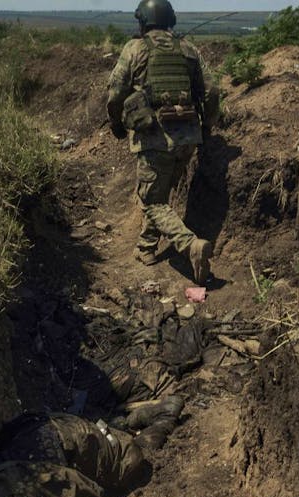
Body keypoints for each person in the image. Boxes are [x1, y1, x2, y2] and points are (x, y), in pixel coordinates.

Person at [106, 0, 220, 285]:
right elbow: (212, 92)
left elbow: (115, 93)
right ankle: (146, 248)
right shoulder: (189, 49)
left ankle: (190, 246)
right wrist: (206, 126)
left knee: (152, 200)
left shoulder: (135, 48)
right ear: (170, 20)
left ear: (143, 21)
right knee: (160, 195)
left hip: (154, 138)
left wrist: (116, 123)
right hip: (188, 138)